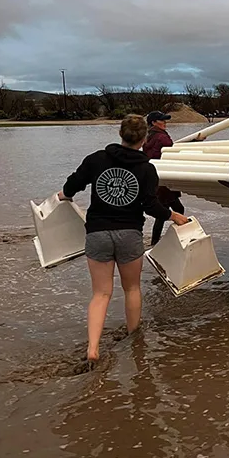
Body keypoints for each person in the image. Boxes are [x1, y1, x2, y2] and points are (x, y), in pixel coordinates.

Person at [58, 113, 189, 364]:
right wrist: (174, 216)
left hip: (97, 233)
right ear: (143, 139)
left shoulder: (97, 159)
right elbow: (151, 205)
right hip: (130, 234)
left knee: (100, 294)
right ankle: (133, 337)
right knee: (132, 288)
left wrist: (64, 195)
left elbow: (73, 184)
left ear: (120, 134)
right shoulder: (146, 168)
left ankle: (93, 348)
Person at [142, 110, 185, 245]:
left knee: (171, 210)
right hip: (164, 181)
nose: (165, 122)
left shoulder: (147, 136)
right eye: (162, 120)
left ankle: (159, 241)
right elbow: (173, 152)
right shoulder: (162, 137)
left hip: (156, 178)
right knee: (167, 212)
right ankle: (164, 241)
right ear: (154, 122)